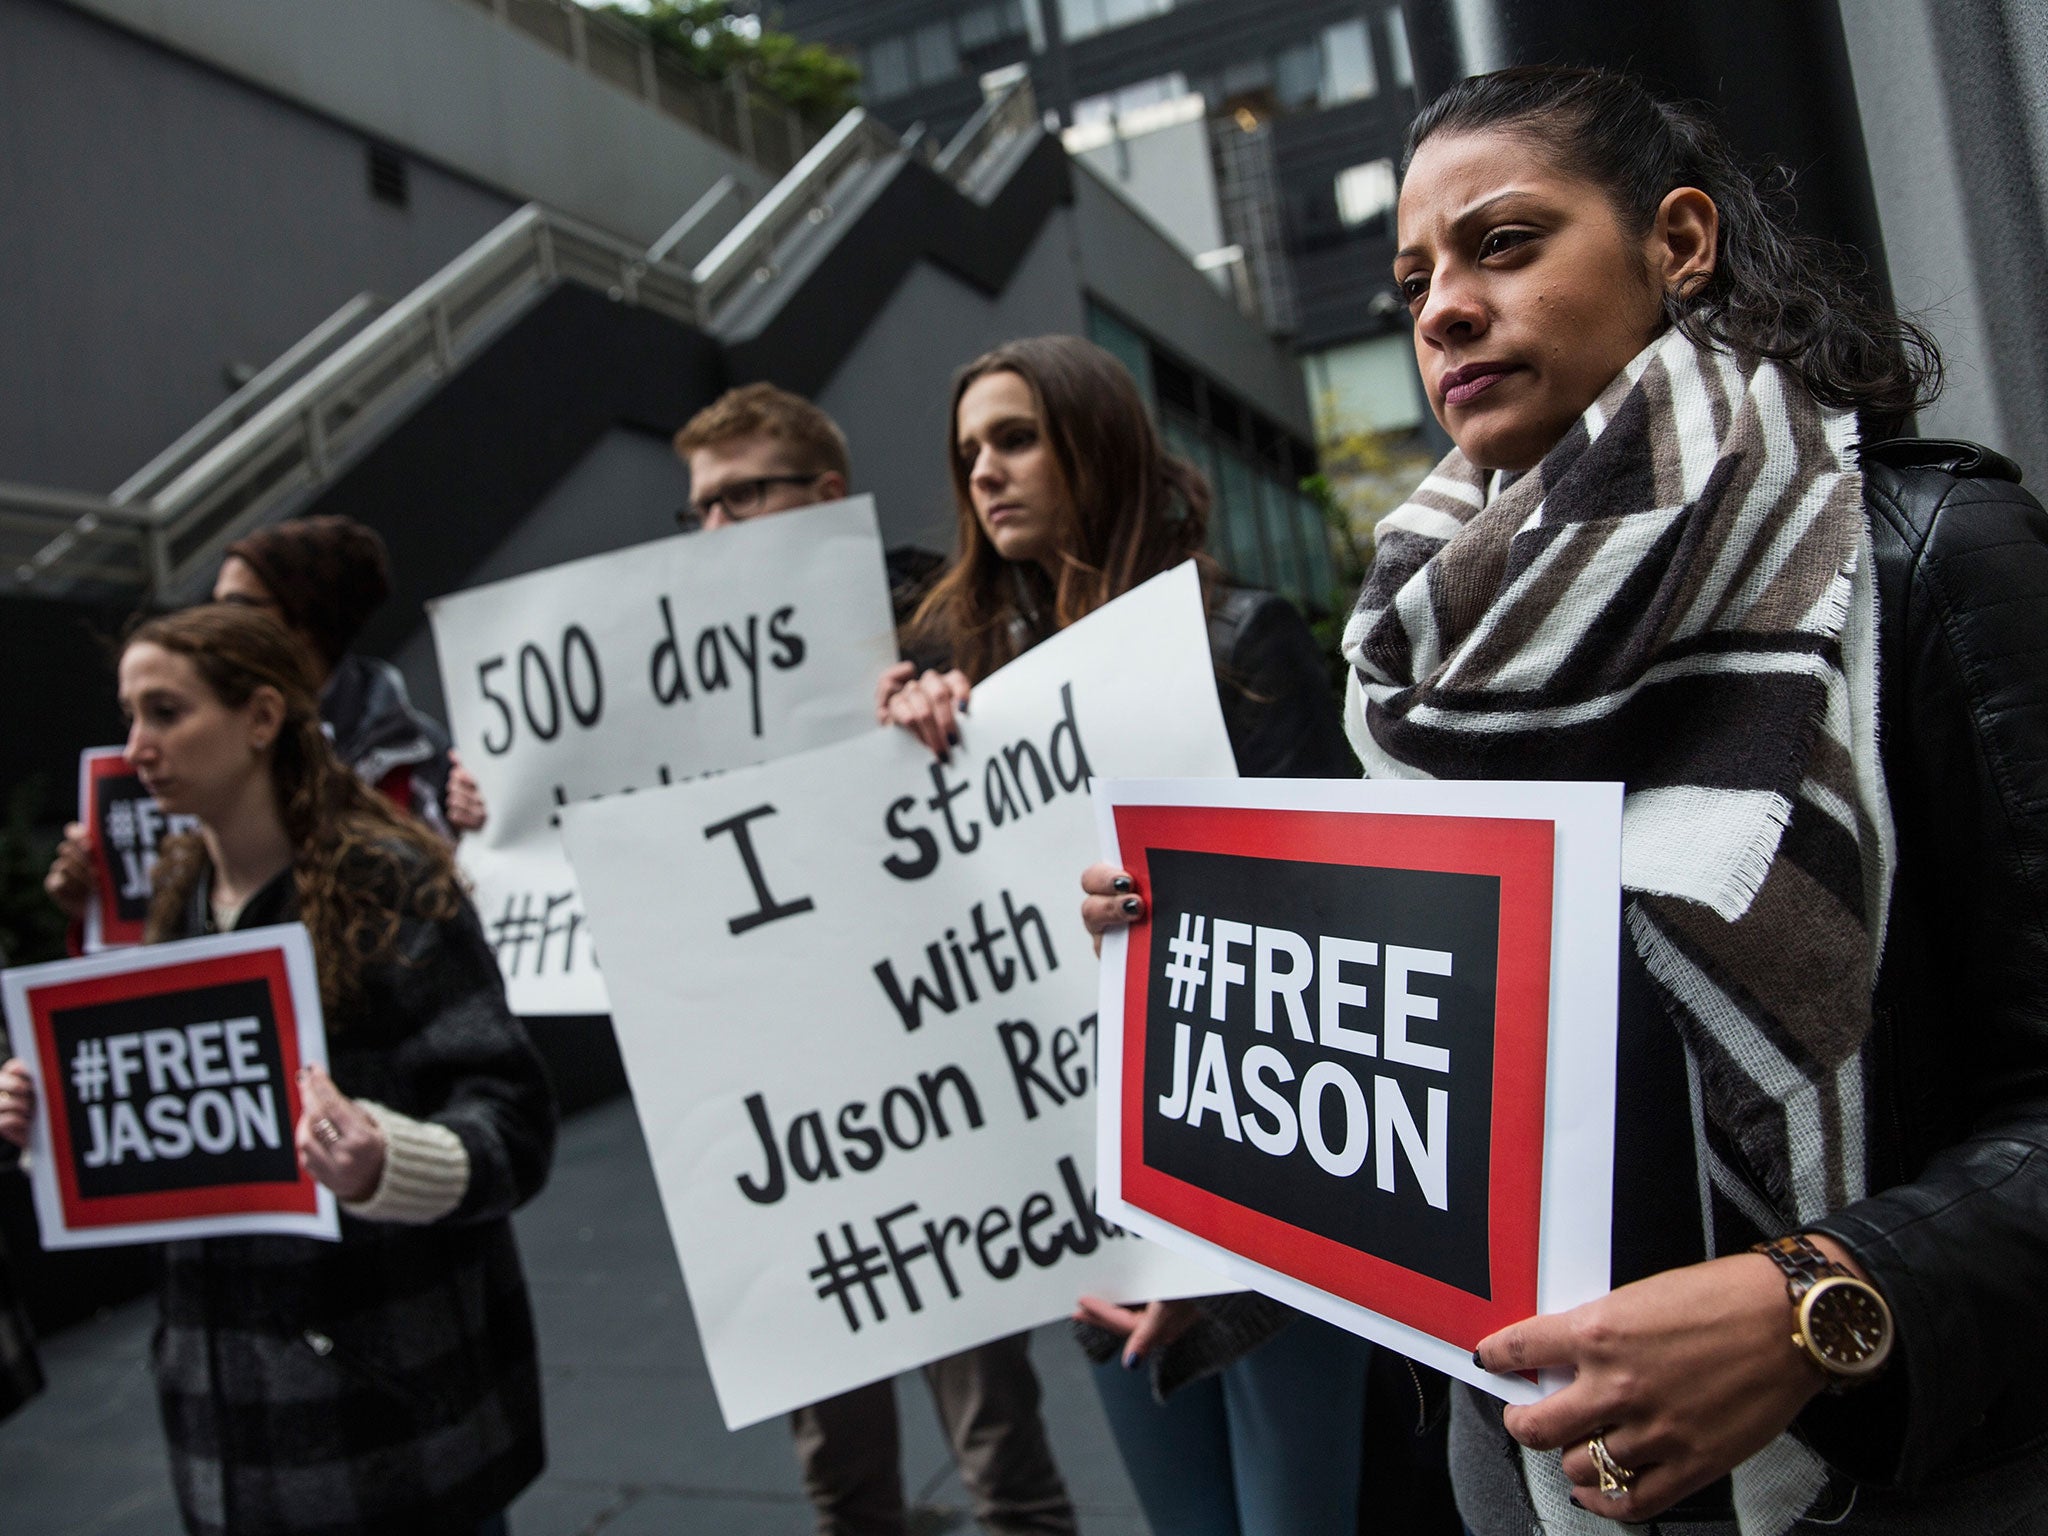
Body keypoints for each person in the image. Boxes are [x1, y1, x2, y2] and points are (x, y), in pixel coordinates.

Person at [1083, 64, 2048, 1534]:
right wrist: (1210, 979)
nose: (1442, 310)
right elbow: (1436, 1100)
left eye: (1506, 244)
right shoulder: (1413, 655)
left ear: (1678, 242)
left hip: (1894, 1480)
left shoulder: (1931, 561)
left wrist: (1825, 1300)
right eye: (1415, 280)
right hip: (1534, 1476)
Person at [880, 334, 1380, 1536]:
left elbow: (1332, 948)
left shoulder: (1241, 644)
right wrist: (897, 748)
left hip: (1266, 1218)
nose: (984, 474)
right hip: (1091, 1220)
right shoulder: (959, 685)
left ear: (1094, 445)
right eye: (966, 455)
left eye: (1014, 438)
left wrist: (1210, 1267)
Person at [0, 603, 557, 1535]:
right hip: (229, 1416)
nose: (136, 746)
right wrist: (50, 1119)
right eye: (130, 715)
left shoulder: (388, 880)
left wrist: (387, 1160)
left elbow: (514, 1122)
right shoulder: (175, 895)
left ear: (262, 718)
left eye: (167, 712)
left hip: (395, 1409)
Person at [674, 381, 1074, 1536]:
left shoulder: (946, 621)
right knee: (837, 1470)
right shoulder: (677, 671)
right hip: (774, 1106)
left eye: (740, 497)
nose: (712, 529)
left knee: (998, 1448)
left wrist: (954, 709)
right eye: (697, 507)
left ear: (824, 496)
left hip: (929, 1089)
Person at [43, 515, 486, 935]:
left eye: (238, 605)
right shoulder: (184, 875)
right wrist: (104, 914)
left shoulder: (411, 766)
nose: (137, 750)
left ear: (263, 720)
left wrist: (482, 840)